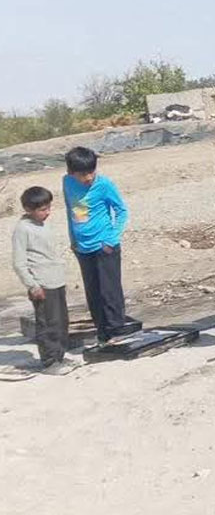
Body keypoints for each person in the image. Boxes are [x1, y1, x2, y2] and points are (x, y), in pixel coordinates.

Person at [63, 146, 131, 344]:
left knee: (109, 291)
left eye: (92, 172)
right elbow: (72, 210)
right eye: (83, 174)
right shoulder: (67, 182)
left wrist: (111, 239)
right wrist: (73, 238)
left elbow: (121, 211)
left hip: (104, 246)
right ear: (71, 172)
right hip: (82, 248)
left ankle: (117, 330)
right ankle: (102, 331)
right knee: (93, 293)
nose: (89, 177)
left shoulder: (104, 185)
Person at [11, 186, 74, 374]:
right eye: (42, 209)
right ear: (28, 209)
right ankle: (49, 362)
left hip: (56, 281)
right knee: (48, 324)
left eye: (48, 208)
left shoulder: (44, 224)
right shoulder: (23, 229)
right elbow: (19, 263)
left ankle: (59, 356)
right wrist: (32, 285)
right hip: (41, 285)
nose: (47, 212)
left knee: (61, 322)